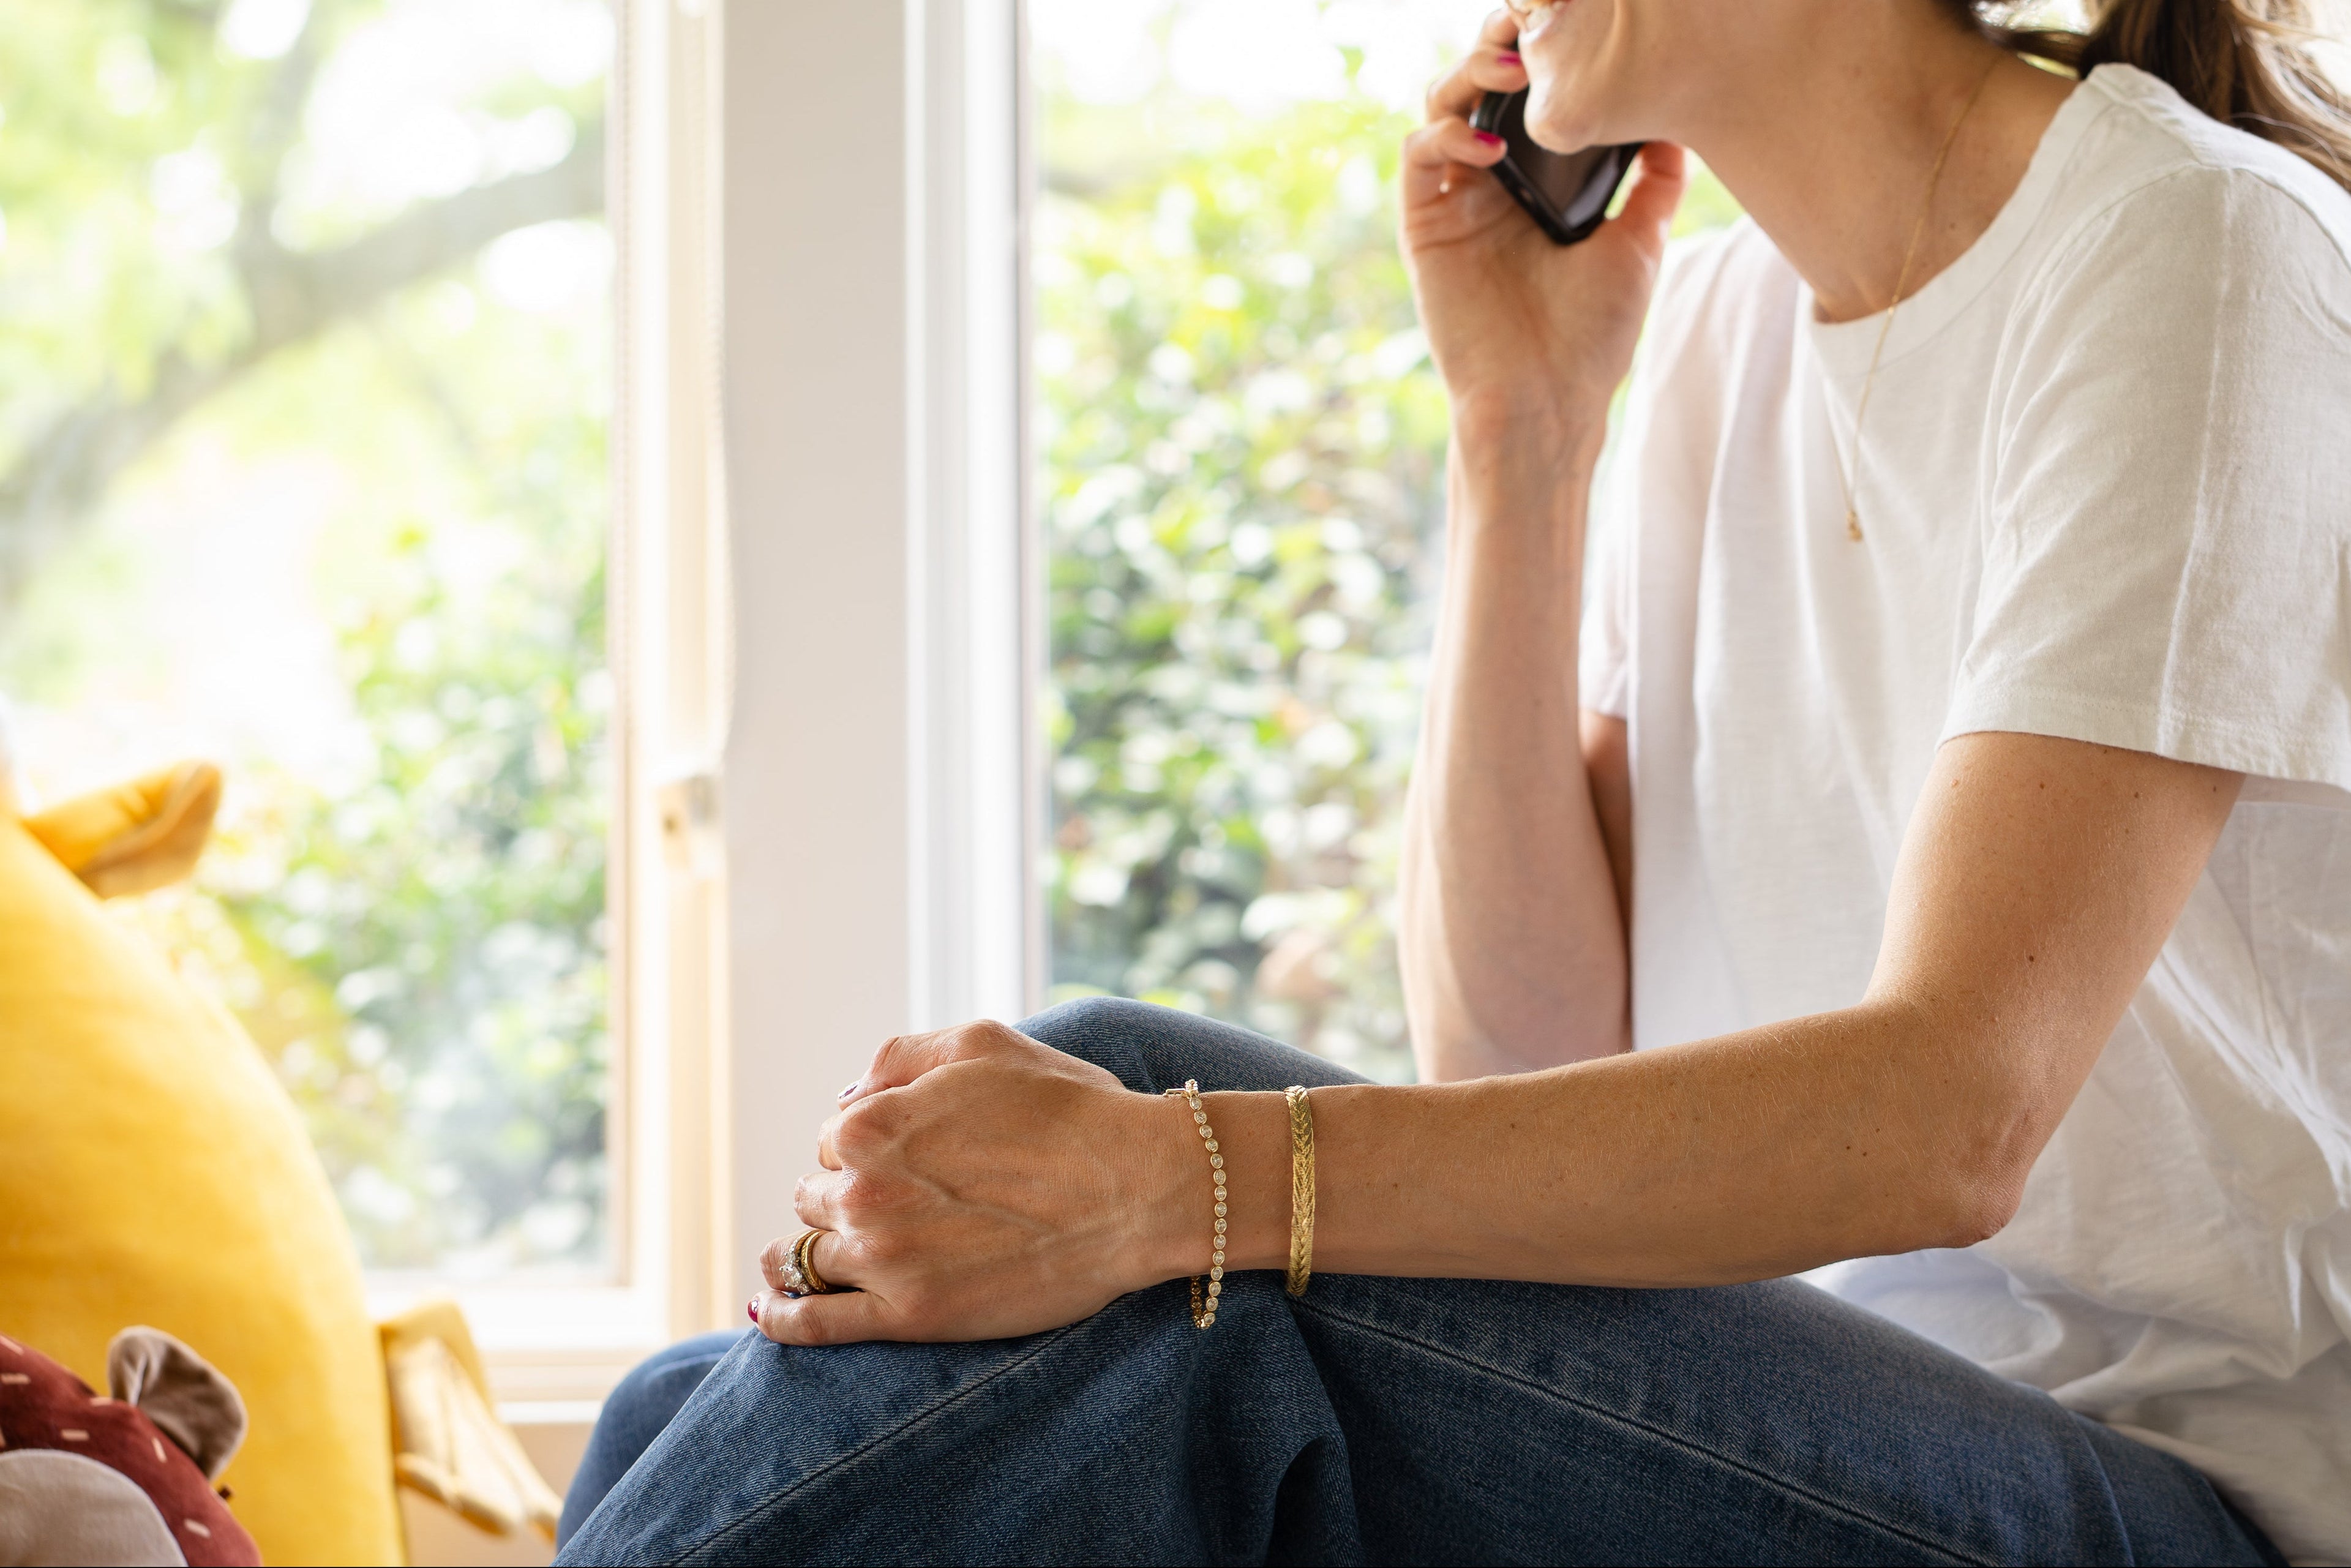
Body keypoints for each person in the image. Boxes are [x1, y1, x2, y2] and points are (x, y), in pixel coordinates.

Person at [558, 1, 2351, 1561]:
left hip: (2169, 1493)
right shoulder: (1726, 333)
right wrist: (1527, 436)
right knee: (683, 1409)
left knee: (1149, 1178)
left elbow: (1948, 1114)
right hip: (1833, 1419)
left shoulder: (2186, 244)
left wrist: (1162, 1178)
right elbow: (1526, 1067)